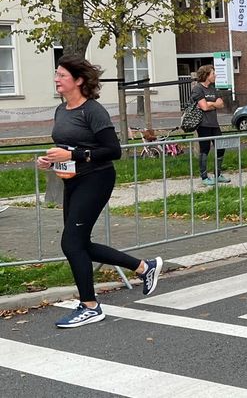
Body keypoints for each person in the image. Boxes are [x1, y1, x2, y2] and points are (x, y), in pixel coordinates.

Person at [38, 55, 162, 328]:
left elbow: (112, 151)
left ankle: (90, 306)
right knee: (80, 244)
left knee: (71, 243)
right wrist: (50, 160)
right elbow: (67, 148)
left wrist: (74, 153)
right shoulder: (62, 110)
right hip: (71, 180)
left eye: (61, 75)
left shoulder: (92, 110)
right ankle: (144, 267)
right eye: (56, 74)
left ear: (78, 80)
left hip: (96, 179)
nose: (56, 79)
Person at [191, 65, 229, 186]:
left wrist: (210, 103)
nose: (215, 75)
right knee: (205, 149)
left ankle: (218, 174)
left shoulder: (213, 89)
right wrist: (213, 104)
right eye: (213, 73)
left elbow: (221, 104)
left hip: (214, 123)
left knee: (221, 147)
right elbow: (204, 107)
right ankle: (204, 176)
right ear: (207, 75)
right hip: (203, 124)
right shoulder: (198, 89)